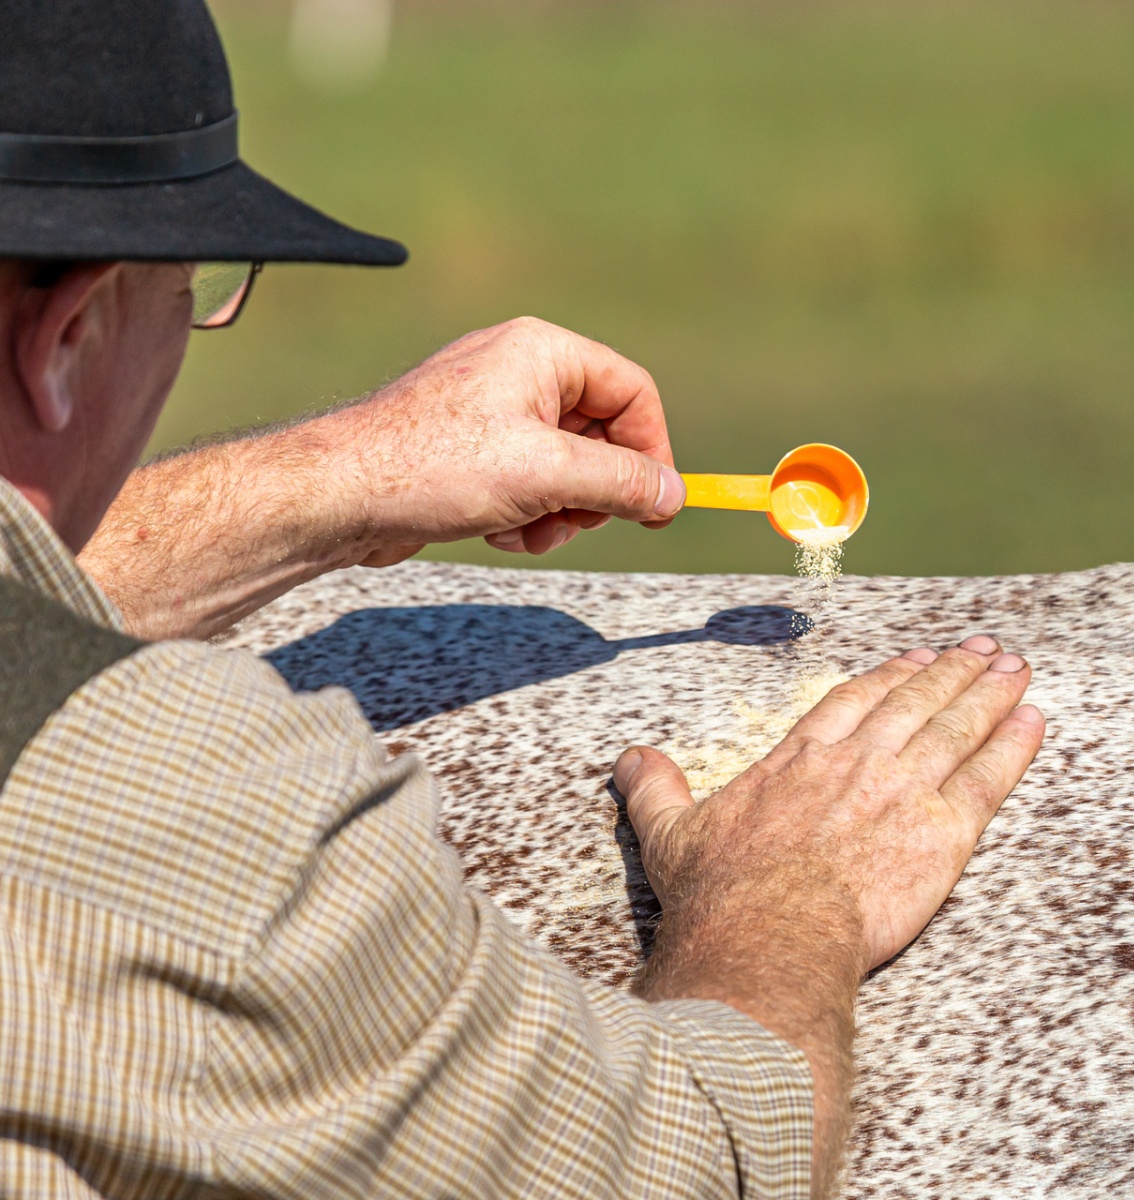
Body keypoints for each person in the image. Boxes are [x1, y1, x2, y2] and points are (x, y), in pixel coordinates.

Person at [0, 2, 1045, 1197]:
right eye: (193, 289)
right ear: (69, 329)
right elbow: (693, 1168)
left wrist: (349, 473)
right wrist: (781, 900)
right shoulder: (193, 818)